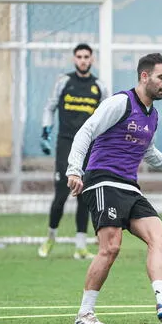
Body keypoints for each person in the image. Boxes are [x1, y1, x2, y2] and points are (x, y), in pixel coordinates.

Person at [66, 53, 162, 324]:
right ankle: (84, 314)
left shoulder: (153, 115)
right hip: (102, 180)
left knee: (161, 239)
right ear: (144, 76)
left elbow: (148, 152)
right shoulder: (120, 103)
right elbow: (85, 132)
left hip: (128, 186)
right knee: (111, 247)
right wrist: (74, 171)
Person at [38, 43, 108, 260]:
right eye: (79, 56)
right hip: (66, 144)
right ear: (74, 59)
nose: (83, 60)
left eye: (87, 56)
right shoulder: (64, 82)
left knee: (84, 195)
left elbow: (107, 116)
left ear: (92, 59)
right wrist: (45, 130)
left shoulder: (99, 86)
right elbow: (49, 107)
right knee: (61, 193)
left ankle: (80, 246)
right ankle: (51, 237)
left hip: (89, 146)